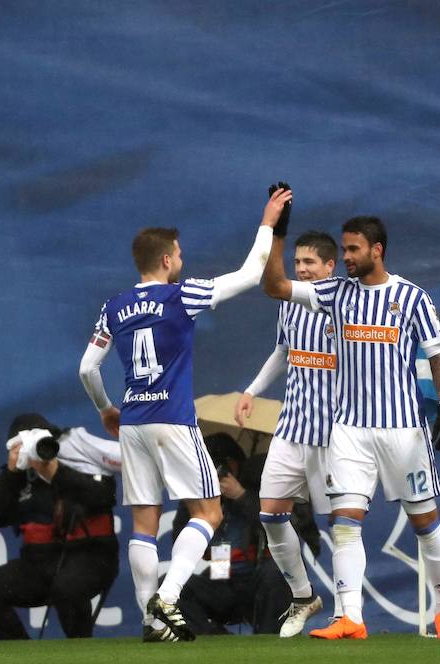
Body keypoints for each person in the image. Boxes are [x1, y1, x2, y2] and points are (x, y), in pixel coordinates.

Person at [78, 190, 291, 642]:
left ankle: (151, 622)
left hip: (132, 421)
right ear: (167, 260)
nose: (182, 259)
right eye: (179, 253)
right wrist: (268, 220)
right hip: (172, 418)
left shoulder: (113, 306)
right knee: (210, 513)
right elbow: (253, 273)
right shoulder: (182, 296)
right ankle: (169, 596)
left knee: (143, 524)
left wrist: (105, 409)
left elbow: (87, 368)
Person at [262, 206, 440, 640]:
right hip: (349, 430)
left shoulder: (411, 297)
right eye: (344, 248)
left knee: (425, 524)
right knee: (344, 522)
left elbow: (437, 352)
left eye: (353, 249)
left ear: (377, 250)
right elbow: (275, 286)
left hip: (403, 429)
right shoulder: (336, 293)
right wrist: (277, 232)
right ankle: (350, 616)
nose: (347, 256)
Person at [233, 230, 341, 636]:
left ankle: (349, 614)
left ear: (330, 267)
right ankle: (303, 595)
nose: (301, 269)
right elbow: (282, 351)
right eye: (297, 263)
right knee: (271, 513)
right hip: (292, 427)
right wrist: (251, 390)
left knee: (341, 526)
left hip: (333, 433)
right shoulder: (288, 302)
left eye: (309, 263)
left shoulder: (344, 305)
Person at [0, 414, 120, 640]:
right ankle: (21, 654)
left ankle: (83, 650)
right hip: (38, 563)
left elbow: (102, 497)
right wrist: (12, 474)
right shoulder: (20, 478)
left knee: (67, 587)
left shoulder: (80, 458)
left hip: (92, 556)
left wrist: (57, 473)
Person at [172, 435, 316, 635]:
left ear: (232, 463)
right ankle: (214, 638)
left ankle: (271, 637)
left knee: (277, 573)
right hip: (223, 576)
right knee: (175, 586)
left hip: (260, 576)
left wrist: (241, 496)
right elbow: (179, 536)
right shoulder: (203, 494)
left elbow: (287, 523)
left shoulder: (262, 482)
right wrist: (197, 505)